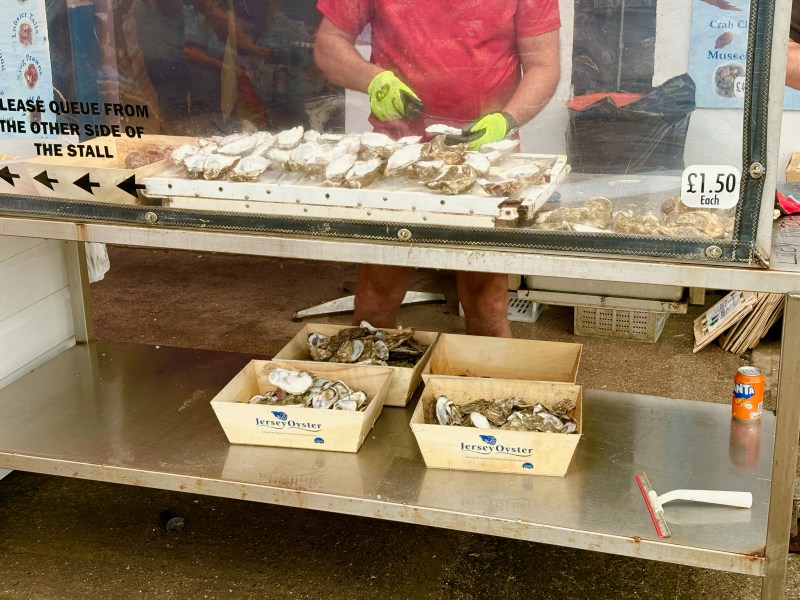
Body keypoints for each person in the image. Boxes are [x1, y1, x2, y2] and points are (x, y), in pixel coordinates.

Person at [313, 0, 561, 337]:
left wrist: (507, 119)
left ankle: (487, 384)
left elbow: (543, 66)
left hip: (484, 158)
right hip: (400, 156)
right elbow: (329, 44)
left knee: (485, 298)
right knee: (377, 294)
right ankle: (367, 382)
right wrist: (373, 80)